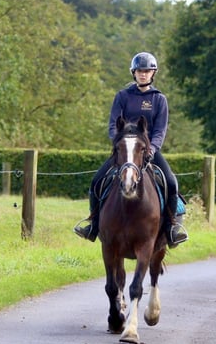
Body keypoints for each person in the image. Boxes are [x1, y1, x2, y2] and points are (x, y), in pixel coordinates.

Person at [74, 51, 188, 248]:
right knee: (96, 181)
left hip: (148, 151)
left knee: (171, 182)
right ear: (133, 73)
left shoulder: (159, 99)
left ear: (153, 73)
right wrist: (119, 143)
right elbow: (113, 125)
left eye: (147, 71)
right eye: (139, 71)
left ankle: (171, 228)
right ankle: (93, 224)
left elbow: (160, 130)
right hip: (125, 150)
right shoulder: (123, 96)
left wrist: (152, 148)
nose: (143, 74)